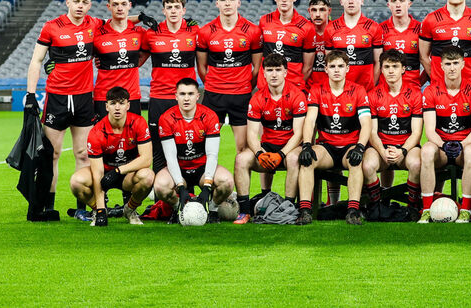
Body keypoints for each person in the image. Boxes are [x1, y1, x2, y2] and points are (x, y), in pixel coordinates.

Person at [25, 0, 111, 221]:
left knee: (83, 154)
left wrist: (140, 18)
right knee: (51, 155)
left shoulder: (94, 24)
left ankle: (82, 208)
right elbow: (36, 60)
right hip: (57, 98)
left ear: (90, 4)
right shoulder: (52, 27)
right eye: (76, 1)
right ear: (68, 2)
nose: (80, 6)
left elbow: (118, 17)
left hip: (84, 98)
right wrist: (31, 95)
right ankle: (47, 207)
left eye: (84, 2)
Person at [138, 0, 199, 218]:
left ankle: (189, 197)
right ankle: (165, 202)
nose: (173, 11)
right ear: (163, 10)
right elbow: (137, 61)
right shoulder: (152, 33)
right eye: (169, 7)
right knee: (159, 151)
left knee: (189, 146)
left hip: (186, 100)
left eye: (177, 7)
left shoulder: (195, 32)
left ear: (184, 10)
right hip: (160, 99)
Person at [296, 51, 372, 226]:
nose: (336, 70)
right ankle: (305, 211)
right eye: (332, 66)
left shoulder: (358, 90)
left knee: (356, 161)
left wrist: (360, 147)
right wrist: (307, 144)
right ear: (326, 69)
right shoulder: (317, 89)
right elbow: (310, 120)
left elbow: (366, 123)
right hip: (326, 147)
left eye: (340, 66)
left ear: (347, 68)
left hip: (350, 146)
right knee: (307, 160)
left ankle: (353, 211)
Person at [232, 54, 307, 224]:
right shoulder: (257, 98)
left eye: (278, 70)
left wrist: (281, 154)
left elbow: (298, 134)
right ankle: (244, 211)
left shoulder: (297, 95)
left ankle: (288, 208)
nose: (274, 74)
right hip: (268, 146)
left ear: (285, 72)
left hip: (290, 147)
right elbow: (251, 134)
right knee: (241, 159)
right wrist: (259, 153)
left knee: (295, 159)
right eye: (269, 70)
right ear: (263, 74)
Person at [153, 78, 236, 224]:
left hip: (202, 169)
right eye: (182, 94)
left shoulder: (210, 116)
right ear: (176, 96)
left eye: (190, 94)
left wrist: (207, 187)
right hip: (178, 169)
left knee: (227, 182)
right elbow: (171, 157)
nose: (186, 98)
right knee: (160, 186)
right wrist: (180, 187)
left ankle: (213, 209)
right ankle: (177, 208)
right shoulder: (166, 119)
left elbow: (212, 155)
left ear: (198, 96)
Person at [196, 0, 263, 162]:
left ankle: (239, 191)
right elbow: (201, 67)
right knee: (205, 147)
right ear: (216, 3)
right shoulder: (205, 32)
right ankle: (209, 187)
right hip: (213, 95)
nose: (227, 3)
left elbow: (257, 67)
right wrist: (211, 83)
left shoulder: (253, 31)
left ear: (238, 2)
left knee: (243, 149)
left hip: (241, 95)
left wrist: (248, 86)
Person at [417, 48, 471, 224]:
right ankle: (426, 209)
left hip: (464, 146)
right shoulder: (431, 91)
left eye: (456, 63)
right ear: (441, 66)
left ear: (463, 64)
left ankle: (466, 209)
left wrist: (461, 144)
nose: (452, 68)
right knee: (426, 151)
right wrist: (444, 145)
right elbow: (430, 131)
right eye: (448, 64)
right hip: (442, 147)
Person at [71, 87, 155, 226]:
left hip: (127, 174)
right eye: (113, 103)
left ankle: (129, 210)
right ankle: (98, 210)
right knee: (76, 182)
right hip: (104, 174)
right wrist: (100, 211)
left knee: (148, 176)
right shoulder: (96, 132)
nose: (117, 108)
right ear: (106, 106)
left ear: (128, 105)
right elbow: (97, 172)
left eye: (121, 103)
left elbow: (146, 159)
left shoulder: (138, 122)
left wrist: (118, 171)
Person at [362, 50, 424, 213]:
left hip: (406, 147)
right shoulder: (373, 95)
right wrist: (382, 151)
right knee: (368, 166)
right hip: (380, 147)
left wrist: (402, 151)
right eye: (387, 67)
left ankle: (412, 206)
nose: (390, 71)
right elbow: (372, 131)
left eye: (395, 66)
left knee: (417, 164)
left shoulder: (415, 94)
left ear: (403, 69)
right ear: (381, 69)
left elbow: (416, 132)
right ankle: (376, 206)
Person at [92, 0, 146, 121]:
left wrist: (134, 64)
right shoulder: (97, 33)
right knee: (103, 140)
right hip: (104, 96)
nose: (119, 8)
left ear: (130, 5)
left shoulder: (140, 32)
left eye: (123, 3)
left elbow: (148, 52)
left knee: (132, 139)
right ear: (108, 6)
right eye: (115, 4)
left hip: (131, 96)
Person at [257, 0, 316, 91]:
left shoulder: (307, 27)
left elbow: (308, 67)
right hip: (266, 88)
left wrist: (295, 86)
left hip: (293, 88)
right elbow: (258, 56)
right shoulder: (264, 21)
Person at [323, 0, 384, 89]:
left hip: (366, 90)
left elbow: (378, 62)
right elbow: (330, 63)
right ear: (341, 2)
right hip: (340, 90)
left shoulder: (374, 27)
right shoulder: (330, 28)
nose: (351, 1)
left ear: (362, 0)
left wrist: (372, 86)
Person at [380, 0, 425, 90]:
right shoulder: (380, 29)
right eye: (394, 1)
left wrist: (418, 83)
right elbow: (376, 64)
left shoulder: (421, 29)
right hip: (387, 91)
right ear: (388, 5)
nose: (398, 5)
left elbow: (428, 60)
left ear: (409, 4)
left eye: (402, 0)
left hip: (413, 90)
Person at [305, 0, 333, 88]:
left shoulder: (337, 31)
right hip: (308, 87)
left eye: (322, 10)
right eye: (314, 10)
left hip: (331, 88)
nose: (317, 14)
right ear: (309, 11)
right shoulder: (302, 31)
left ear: (329, 11)